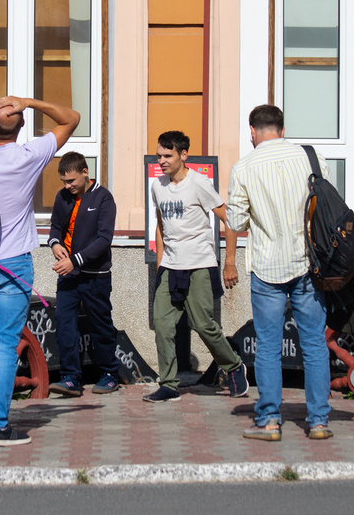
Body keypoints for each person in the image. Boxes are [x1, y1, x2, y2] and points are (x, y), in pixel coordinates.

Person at [0, 96, 80, 446]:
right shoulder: (29, 156)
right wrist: (29, 101)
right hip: (13, 264)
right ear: (22, 128)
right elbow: (71, 118)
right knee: (6, 345)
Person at [225, 104, 333, 441]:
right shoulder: (311, 158)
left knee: (269, 346)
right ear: (282, 129)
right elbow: (326, 207)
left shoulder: (243, 168)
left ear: (252, 131)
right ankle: (318, 422)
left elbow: (237, 222)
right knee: (314, 343)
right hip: (308, 264)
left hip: (268, 266)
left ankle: (270, 421)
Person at [145, 131, 249, 403]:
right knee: (163, 325)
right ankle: (168, 383)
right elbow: (160, 225)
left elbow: (230, 220)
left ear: (183, 155)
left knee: (204, 325)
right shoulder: (157, 186)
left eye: (168, 155)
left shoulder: (199, 183)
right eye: (159, 155)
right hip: (170, 267)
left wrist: (229, 262)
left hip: (200, 264)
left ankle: (234, 366)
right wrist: (160, 265)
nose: (162, 160)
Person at [47, 152, 120, 397]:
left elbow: (104, 240)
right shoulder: (62, 196)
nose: (68, 187)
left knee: (100, 325)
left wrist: (75, 260)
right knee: (64, 324)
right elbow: (56, 226)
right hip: (68, 276)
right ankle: (70, 378)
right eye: (64, 182)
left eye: (72, 181)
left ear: (85, 172)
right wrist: (55, 243)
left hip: (95, 276)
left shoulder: (104, 198)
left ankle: (109, 373)